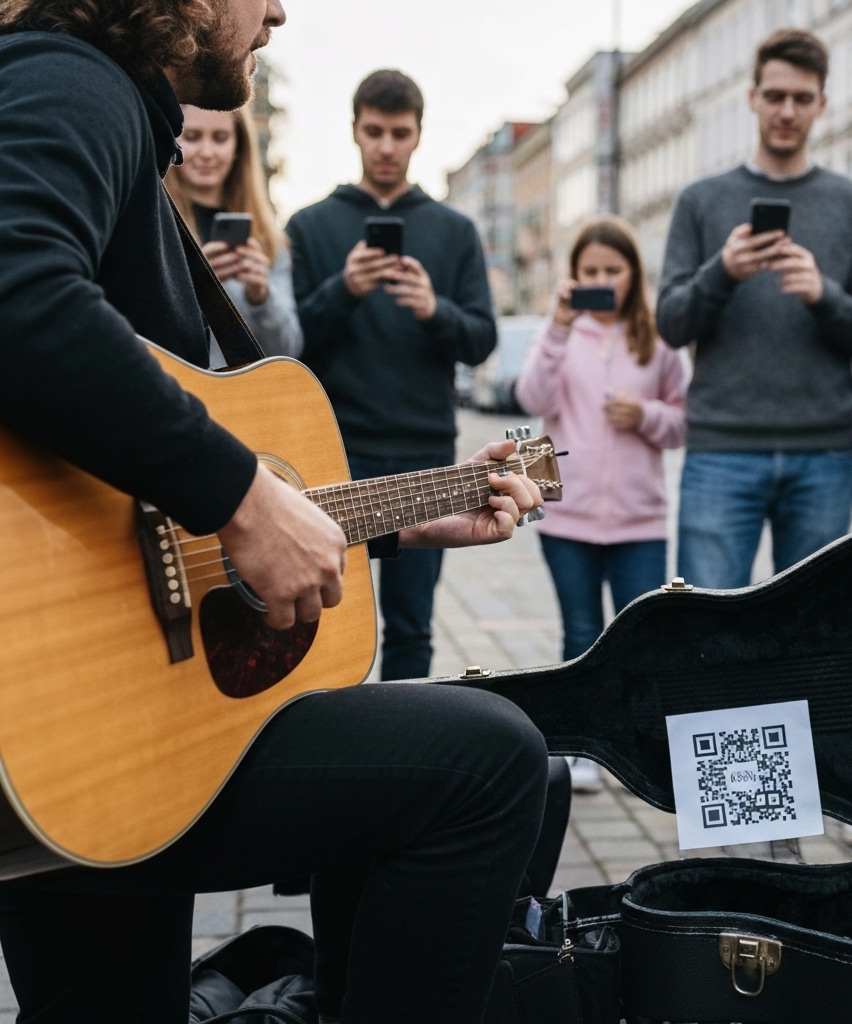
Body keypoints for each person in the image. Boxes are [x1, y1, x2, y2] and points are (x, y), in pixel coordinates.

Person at [0, 3, 550, 1022]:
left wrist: (384, 516)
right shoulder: (76, 79)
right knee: (487, 762)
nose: (280, 12)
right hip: (62, 687)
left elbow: (140, 487)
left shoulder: (85, 96)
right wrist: (245, 495)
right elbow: (14, 287)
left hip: (86, 711)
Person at [657, 29, 852, 589]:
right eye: (776, 95)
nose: (788, 111)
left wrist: (821, 293)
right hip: (721, 448)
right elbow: (670, 322)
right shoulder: (701, 200)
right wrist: (724, 271)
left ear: (822, 104)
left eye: (802, 98)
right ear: (752, 97)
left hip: (824, 451)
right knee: (704, 629)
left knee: (811, 634)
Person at [288, 70, 496, 682]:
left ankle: (406, 759)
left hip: (421, 449)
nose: (386, 146)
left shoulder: (453, 231)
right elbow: (285, 343)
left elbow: (481, 339)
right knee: (325, 621)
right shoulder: (310, 226)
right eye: (374, 131)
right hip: (332, 449)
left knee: (411, 625)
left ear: (418, 136)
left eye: (399, 133)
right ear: (354, 130)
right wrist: (343, 290)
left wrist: (436, 311)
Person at [518, 218, 685, 791]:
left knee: (640, 635)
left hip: (640, 518)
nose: (602, 279)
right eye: (590, 271)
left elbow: (682, 421)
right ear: (574, 277)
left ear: (633, 272)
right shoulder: (560, 335)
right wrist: (557, 328)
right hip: (568, 517)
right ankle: (586, 749)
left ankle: (638, 747)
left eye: (612, 270)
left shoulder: (656, 338)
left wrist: (647, 416)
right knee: (581, 633)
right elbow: (529, 397)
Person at [165, 102, 303, 360]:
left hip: (242, 397)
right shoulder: (158, 229)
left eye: (220, 138)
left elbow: (288, 352)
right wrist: (195, 286)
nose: (207, 152)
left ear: (239, 145)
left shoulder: (267, 241)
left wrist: (262, 298)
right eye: (193, 137)